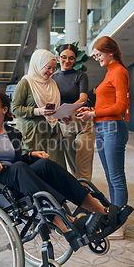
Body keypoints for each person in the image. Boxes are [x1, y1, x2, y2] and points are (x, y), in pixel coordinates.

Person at [0, 89, 133, 249]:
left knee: (44, 164)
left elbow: (17, 161)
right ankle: (67, 224)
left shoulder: (13, 133)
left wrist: (31, 155)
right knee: (20, 168)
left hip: (14, 180)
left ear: (4, 109)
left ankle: (101, 210)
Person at [76, 36, 130, 240]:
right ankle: (114, 217)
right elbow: (108, 105)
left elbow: (120, 107)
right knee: (110, 176)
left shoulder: (119, 72)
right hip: (103, 126)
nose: (96, 58)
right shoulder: (110, 72)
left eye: (98, 54)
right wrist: (91, 109)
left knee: (116, 177)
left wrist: (93, 114)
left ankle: (119, 223)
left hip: (113, 127)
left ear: (110, 51)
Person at [11, 49, 65, 168]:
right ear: (38, 64)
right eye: (48, 68)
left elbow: (53, 108)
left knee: (56, 168)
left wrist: (62, 115)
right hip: (32, 135)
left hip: (52, 132)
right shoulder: (26, 83)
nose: (51, 71)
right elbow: (14, 108)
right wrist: (37, 111)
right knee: (34, 168)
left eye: (54, 68)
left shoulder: (52, 84)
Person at [52, 44, 96, 181]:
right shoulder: (52, 78)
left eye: (71, 58)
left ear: (75, 59)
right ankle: (82, 194)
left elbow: (83, 98)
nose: (67, 61)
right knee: (74, 166)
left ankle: (85, 198)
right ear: (58, 58)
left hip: (83, 124)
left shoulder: (81, 76)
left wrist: (69, 110)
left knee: (83, 167)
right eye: (64, 57)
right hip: (65, 125)